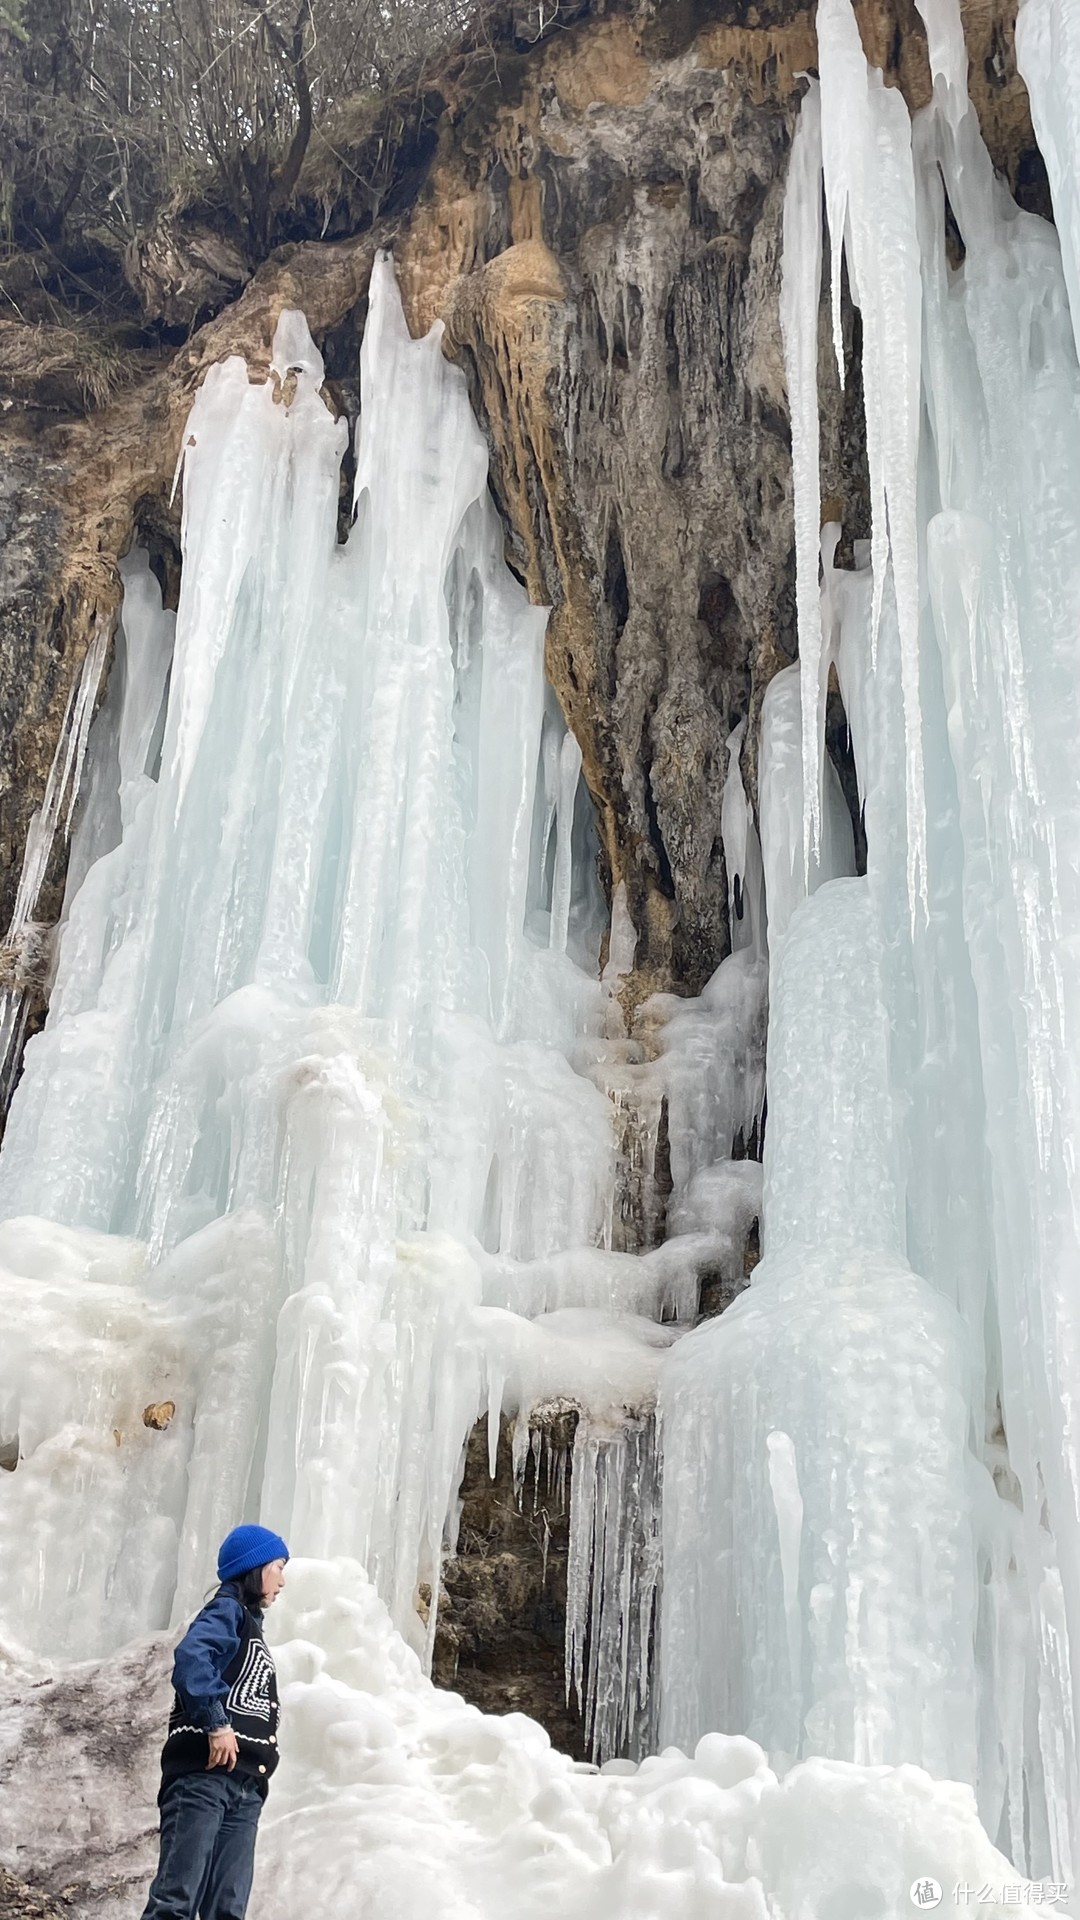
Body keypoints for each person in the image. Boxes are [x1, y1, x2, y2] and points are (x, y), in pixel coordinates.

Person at [139, 1524, 290, 1920]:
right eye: (278, 1567)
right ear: (255, 1568)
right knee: (176, 1902)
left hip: (244, 1783)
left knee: (226, 1909)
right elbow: (192, 1658)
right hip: (204, 1778)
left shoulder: (250, 1625)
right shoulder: (227, 1611)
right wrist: (216, 1723)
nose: (283, 1581)